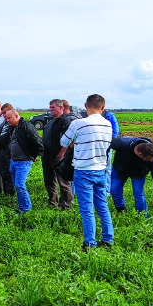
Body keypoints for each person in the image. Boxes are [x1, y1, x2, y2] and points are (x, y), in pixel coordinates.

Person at [57, 94, 114, 251]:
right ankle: (108, 239)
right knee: (102, 205)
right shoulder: (108, 124)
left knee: (87, 209)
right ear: (103, 107)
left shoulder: (78, 123)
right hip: (101, 169)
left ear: (85, 105)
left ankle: (90, 242)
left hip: (83, 170)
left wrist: (78, 142)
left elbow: (63, 142)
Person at [1, 107, 43, 213]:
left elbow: (36, 142)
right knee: (17, 185)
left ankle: (27, 207)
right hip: (14, 161)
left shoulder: (26, 126)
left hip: (23, 162)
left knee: (20, 185)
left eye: (9, 118)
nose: (7, 120)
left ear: (16, 116)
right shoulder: (13, 127)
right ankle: (21, 206)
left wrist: (33, 156)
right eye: (6, 118)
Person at [110, 136, 153, 216]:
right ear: (140, 154)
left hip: (139, 172)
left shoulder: (152, 155)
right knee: (115, 190)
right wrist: (104, 158)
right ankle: (121, 212)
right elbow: (104, 143)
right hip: (120, 169)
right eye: (149, 159)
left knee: (138, 193)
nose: (151, 161)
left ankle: (142, 216)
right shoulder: (123, 143)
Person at [41, 99, 73, 210]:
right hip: (47, 155)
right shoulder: (51, 121)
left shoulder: (64, 121)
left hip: (59, 157)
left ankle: (66, 206)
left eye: (53, 107)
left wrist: (61, 154)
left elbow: (69, 139)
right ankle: (52, 202)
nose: (50, 110)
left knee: (64, 182)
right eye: (50, 107)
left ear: (61, 108)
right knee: (49, 180)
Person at [0, 103, 16, 196]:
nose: (4, 115)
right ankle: (7, 193)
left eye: (5, 113)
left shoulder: (15, 123)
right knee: (4, 174)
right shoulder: (4, 123)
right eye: (3, 113)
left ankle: (11, 194)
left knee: (10, 175)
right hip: (1, 152)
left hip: (10, 153)